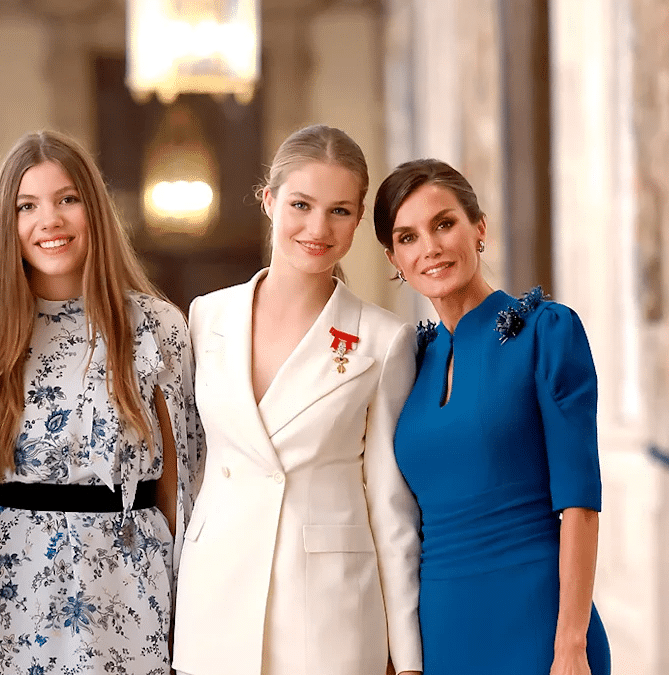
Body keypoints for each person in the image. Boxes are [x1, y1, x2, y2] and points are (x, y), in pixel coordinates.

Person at [171, 125, 423, 675]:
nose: (317, 228)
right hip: (215, 599)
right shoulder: (205, 318)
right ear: (269, 201)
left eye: (338, 211)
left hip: (327, 610)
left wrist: (407, 658)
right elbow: (189, 471)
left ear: (359, 219)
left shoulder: (383, 340)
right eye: (301, 204)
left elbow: (390, 503)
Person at [0, 130, 203, 675]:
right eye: (28, 205)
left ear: (94, 210)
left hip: (126, 582)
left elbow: (181, 485)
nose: (50, 221)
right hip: (5, 587)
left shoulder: (155, 328)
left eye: (67, 199)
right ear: (8, 223)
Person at [374, 158, 611, 674]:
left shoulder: (547, 333)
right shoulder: (410, 360)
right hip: (441, 634)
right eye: (408, 237)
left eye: (444, 224)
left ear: (479, 227)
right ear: (394, 257)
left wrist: (569, 645)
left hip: (538, 627)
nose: (431, 248)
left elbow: (580, 504)